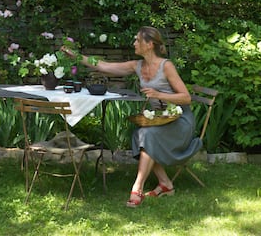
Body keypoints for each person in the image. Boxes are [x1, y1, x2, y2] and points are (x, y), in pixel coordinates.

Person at [66, 26, 201, 207]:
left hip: (179, 121)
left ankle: (137, 188)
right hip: (159, 120)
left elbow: (186, 98)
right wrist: (75, 56)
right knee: (140, 134)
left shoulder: (166, 66)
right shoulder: (137, 66)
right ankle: (166, 184)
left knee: (147, 135)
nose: (134, 43)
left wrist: (158, 94)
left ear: (149, 44)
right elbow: (103, 66)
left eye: (138, 40)